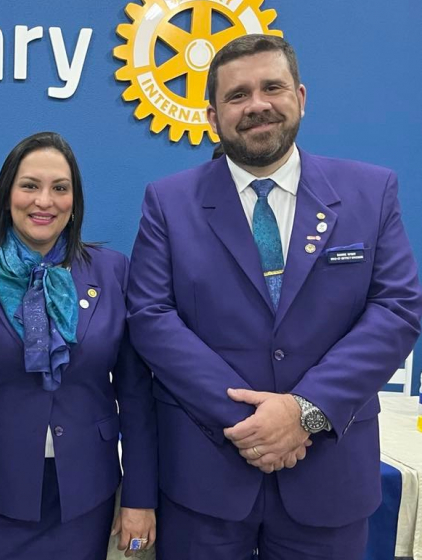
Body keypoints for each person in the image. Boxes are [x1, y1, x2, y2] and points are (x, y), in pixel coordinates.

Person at [127, 34, 422, 560]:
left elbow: (396, 309)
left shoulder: (371, 192)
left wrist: (304, 411)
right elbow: (151, 317)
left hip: (329, 481)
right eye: (237, 95)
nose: (257, 104)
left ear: (301, 97)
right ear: (212, 116)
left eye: (272, 87)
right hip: (205, 482)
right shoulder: (168, 202)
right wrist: (252, 423)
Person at [0, 132, 157, 560]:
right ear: (6, 195)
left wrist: (139, 496)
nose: (44, 201)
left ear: (75, 201)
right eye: (30, 186)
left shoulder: (112, 272)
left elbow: (135, 393)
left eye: (60, 188)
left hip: (86, 491)